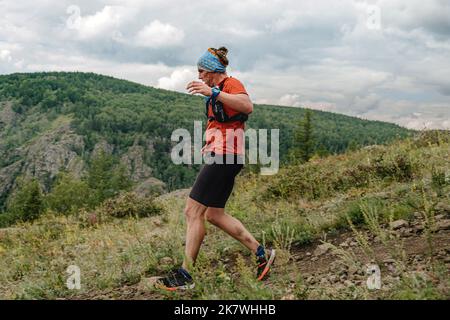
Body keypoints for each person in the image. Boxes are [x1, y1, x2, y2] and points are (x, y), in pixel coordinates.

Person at [157, 47, 275, 291]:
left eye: (202, 71)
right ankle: (262, 253)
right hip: (225, 155)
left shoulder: (231, 84)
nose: (199, 76)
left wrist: (212, 92)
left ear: (213, 70)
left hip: (226, 155)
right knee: (213, 214)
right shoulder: (218, 90)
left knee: (192, 211)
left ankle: (185, 275)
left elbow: (247, 105)